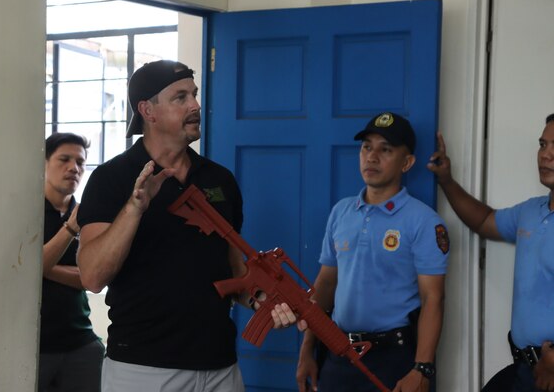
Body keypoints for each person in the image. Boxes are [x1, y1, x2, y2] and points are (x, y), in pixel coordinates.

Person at [76, 60, 296, 392]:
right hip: (142, 368)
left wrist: (262, 300)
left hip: (220, 366)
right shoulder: (112, 178)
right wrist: (135, 208)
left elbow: (233, 270)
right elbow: (92, 276)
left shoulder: (219, 180)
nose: (195, 106)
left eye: (194, 95)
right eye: (180, 97)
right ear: (147, 110)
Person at [296, 112, 450, 392]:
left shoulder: (424, 222)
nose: (372, 156)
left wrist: (422, 369)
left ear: (407, 163)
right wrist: (307, 348)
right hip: (338, 353)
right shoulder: (341, 213)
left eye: (386, 149)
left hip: (393, 359)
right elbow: (325, 285)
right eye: (367, 147)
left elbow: (433, 299)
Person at [427, 114, 554, 392]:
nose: (546, 155)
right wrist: (447, 181)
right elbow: (485, 221)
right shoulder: (532, 211)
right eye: (543, 144)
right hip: (525, 368)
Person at [40, 132, 104, 392]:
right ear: (43, 163)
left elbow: (92, 278)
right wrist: (69, 229)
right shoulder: (22, 209)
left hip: (81, 341)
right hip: (34, 344)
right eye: (64, 159)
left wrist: (42, 268)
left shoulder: (89, 214)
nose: (73, 168)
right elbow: (17, 271)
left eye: (80, 162)